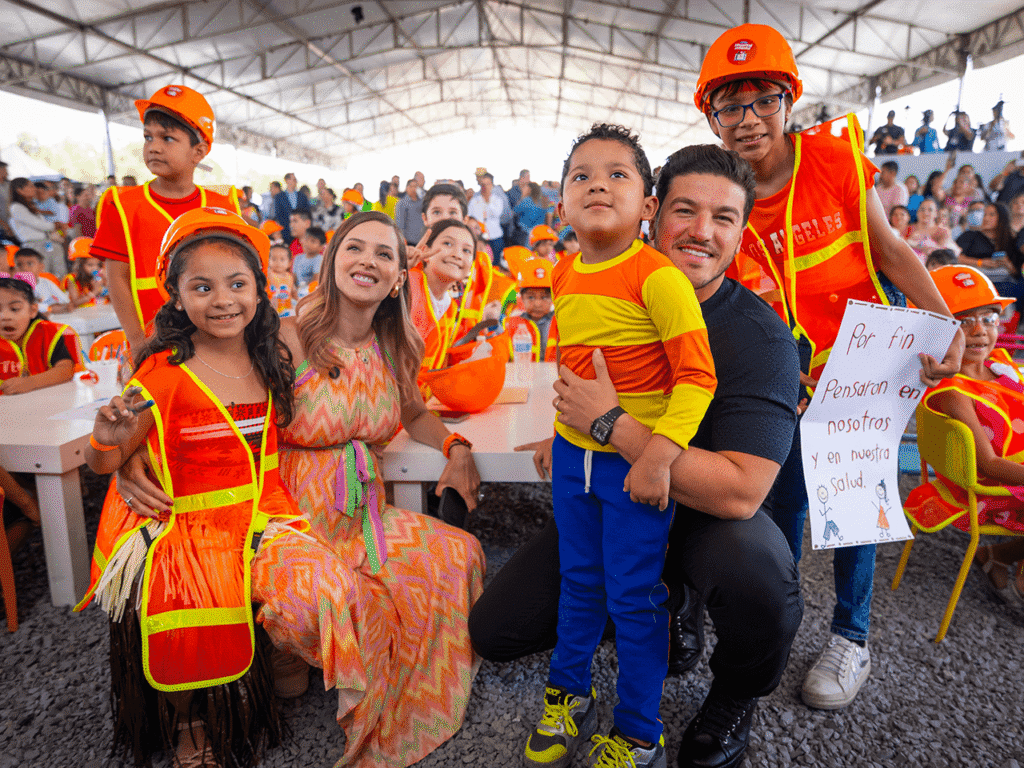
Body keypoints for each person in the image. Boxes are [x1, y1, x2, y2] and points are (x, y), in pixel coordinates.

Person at [475, 143, 802, 768]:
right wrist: (568, 433)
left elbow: (742, 492)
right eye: (686, 211)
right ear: (655, 214)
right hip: (604, 482)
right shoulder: (590, 278)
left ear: (741, 232)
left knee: (758, 572)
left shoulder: (761, 338)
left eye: (724, 218)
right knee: (498, 629)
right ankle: (649, 619)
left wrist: (611, 426)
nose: (702, 231)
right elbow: (584, 367)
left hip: (702, 507)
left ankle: (728, 696)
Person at [694, 22, 963, 712]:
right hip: (779, 378)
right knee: (781, 503)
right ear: (711, 116)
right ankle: (775, 623)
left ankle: (851, 636)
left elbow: (892, 249)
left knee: (855, 504)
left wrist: (945, 323)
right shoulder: (720, 192)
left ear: (789, 100)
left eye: (764, 100)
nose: (748, 119)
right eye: (730, 105)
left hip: (862, 368)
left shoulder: (836, 159)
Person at [520, 125, 716, 768]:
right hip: (572, 461)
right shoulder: (563, 272)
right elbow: (575, 364)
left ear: (648, 207)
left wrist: (657, 458)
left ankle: (638, 732)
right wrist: (557, 434)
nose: (597, 184)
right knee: (578, 583)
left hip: (632, 466)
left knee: (634, 598)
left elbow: (698, 377)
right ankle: (568, 694)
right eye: (581, 175)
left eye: (617, 175)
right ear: (561, 206)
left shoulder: (658, 278)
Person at [76, 208, 298, 768]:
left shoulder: (270, 357)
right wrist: (109, 444)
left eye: (237, 284)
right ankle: (191, 724)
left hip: (263, 509)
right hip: (183, 518)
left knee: (319, 583)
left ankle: (279, 659)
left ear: (259, 290)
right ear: (175, 297)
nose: (223, 300)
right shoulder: (161, 375)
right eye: (202, 287)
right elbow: (104, 462)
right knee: (180, 591)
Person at [89, 84, 240, 358]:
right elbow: (117, 278)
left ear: (198, 151)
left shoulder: (223, 205)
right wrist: (137, 342)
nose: (154, 147)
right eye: (148, 137)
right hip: (153, 344)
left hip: (217, 341)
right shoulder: (122, 205)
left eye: (167, 138)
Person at [904, 265, 1024, 606]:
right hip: (988, 486)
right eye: (963, 321)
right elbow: (988, 465)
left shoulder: (1001, 365)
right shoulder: (952, 392)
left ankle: (997, 556)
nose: (979, 331)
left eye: (989, 319)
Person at [406, 218, 476, 377]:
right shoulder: (406, 285)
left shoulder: (450, 308)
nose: (457, 255)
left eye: (467, 251)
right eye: (448, 244)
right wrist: (397, 271)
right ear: (425, 252)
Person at [0, 271, 78, 395]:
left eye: (14, 309)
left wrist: (30, 383)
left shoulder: (47, 334)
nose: (5, 316)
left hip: (47, 401)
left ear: (32, 310)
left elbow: (66, 369)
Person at [9, 177, 65, 278]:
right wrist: (54, 225)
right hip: (34, 246)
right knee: (42, 276)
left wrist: (52, 226)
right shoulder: (16, 207)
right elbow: (40, 225)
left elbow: (45, 225)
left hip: (47, 242)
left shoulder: (31, 206)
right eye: (30, 186)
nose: (34, 188)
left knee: (59, 274)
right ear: (19, 190)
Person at [504, 257, 557, 361]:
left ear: (553, 298)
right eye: (531, 297)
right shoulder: (512, 323)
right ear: (522, 298)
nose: (537, 304)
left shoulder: (560, 323)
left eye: (544, 297)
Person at [12, 248, 72, 313]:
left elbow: (65, 301)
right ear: (14, 269)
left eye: (30, 264)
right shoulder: (13, 286)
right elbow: (22, 307)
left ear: (41, 267)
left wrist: (62, 306)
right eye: (19, 264)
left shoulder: (46, 282)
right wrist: (48, 308)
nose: (24, 268)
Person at [468, 173, 507, 265]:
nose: (485, 187)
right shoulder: (474, 201)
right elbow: (469, 217)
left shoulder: (497, 200)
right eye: (483, 184)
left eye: (488, 184)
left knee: (496, 263)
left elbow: (497, 213)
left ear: (492, 185)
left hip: (495, 236)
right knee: (481, 263)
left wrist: (488, 202)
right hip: (479, 237)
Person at [906, 198, 959, 263]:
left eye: (930, 210)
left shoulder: (942, 231)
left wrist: (916, 246)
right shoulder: (907, 228)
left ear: (936, 213)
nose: (925, 213)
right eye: (922, 209)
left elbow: (941, 256)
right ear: (917, 212)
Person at [63, 237, 105, 308]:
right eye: (90, 265)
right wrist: (94, 291)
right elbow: (75, 303)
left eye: (98, 265)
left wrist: (104, 285)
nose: (95, 268)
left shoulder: (96, 277)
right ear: (80, 265)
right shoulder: (72, 279)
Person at [273, 172, 310, 243]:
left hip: (301, 233)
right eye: (294, 179)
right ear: (287, 180)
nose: (296, 182)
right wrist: (288, 227)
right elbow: (278, 214)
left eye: (296, 180)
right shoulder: (279, 197)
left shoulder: (302, 196)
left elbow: (307, 213)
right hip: (285, 233)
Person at [267, 242, 297, 317]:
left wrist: (298, 300)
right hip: (272, 309)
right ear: (268, 260)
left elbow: (293, 291)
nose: (278, 262)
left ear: (289, 263)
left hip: (287, 307)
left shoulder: (289, 276)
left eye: (282, 259)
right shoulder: (269, 274)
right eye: (274, 259)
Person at [293, 225, 326, 289]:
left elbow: (316, 279)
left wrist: (302, 289)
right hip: (298, 290)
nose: (308, 243)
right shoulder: (297, 258)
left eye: (313, 241)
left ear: (321, 247)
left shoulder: (319, 259)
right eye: (306, 239)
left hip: (311, 290)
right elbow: (294, 277)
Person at [394, 179, 424, 245]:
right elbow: (399, 223)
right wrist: (402, 240)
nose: (413, 189)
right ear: (407, 188)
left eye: (415, 187)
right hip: (408, 240)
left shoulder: (422, 202)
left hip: (421, 239)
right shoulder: (402, 203)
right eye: (411, 186)